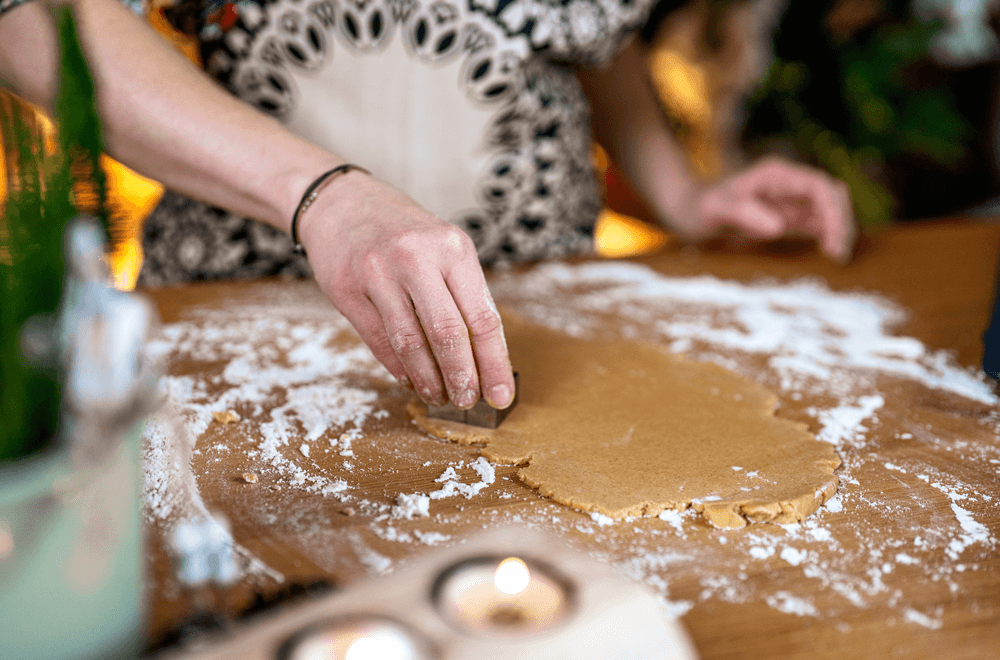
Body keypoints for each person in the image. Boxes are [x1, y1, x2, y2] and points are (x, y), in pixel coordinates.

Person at [0, 0, 855, 413]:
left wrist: (678, 189)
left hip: (546, 291)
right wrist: (320, 195)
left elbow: (589, 30)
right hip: (247, 297)